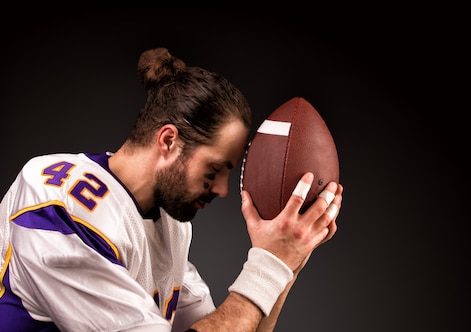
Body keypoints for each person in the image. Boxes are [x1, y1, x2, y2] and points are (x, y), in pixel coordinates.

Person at [0, 47, 343, 332]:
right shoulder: (58, 200)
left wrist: (289, 260)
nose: (223, 190)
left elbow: (237, 325)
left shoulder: (170, 223)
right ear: (168, 141)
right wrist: (269, 264)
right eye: (214, 170)